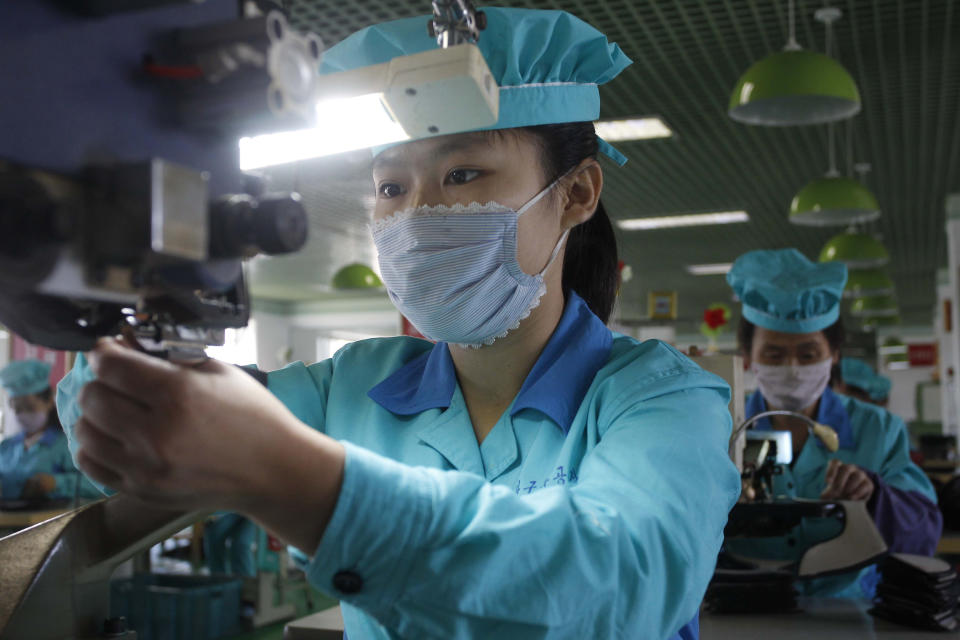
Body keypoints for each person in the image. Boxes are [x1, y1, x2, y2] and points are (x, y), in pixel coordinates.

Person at [56, 8, 740, 639]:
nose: (418, 213)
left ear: (577, 193)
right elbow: (128, 414)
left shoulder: (662, 398)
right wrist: (118, 272)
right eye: (391, 187)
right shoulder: (350, 387)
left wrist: (300, 481)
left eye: (464, 173)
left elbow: (623, 581)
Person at [728, 249, 941, 598]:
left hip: (847, 615)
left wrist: (873, 497)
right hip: (742, 605)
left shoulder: (878, 430)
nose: (793, 367)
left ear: (834, 354)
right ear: (749, 357)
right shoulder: (723, 429)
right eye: (774, 355)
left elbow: (923, 533)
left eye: (808, 354)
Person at [0, 359, 97, 501]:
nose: (23, 414)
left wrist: (56, 483)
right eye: (17, 409)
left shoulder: (67, 445)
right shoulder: (6, 446)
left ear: (49, 401)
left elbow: (96, 485)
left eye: (29, 407)